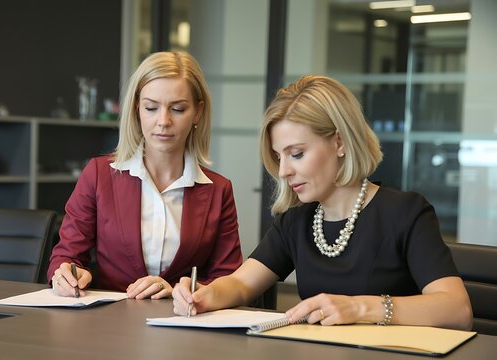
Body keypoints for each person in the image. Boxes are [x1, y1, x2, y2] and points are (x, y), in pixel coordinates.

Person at [172, 75, 473, 330]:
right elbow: (240, 285)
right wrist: (205, 295)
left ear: (339, 142)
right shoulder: (296, 221)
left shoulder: (406, 212)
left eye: (297, 153)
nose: (283, 170)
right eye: (279, 156)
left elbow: (456, 310)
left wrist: (359, 309)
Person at [48, 51, 243, 299]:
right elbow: (67, 255)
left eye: (178, 109)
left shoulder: (218, 190)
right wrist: (65, 273)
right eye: (151, 108)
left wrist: (174, 292)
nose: (163, 121)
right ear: (137, 109)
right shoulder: (98, 175)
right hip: (108, 324)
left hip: (182, 324)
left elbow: (227, 279)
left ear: (197, 112)